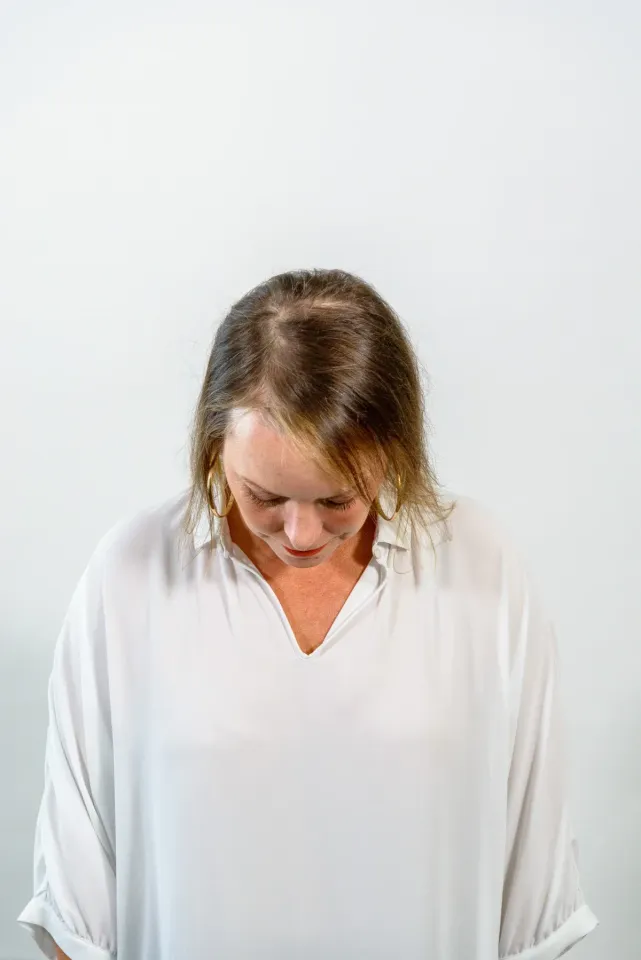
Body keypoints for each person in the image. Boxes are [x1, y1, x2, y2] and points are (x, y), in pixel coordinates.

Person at [19, 269, 597, 960]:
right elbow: (76, 918)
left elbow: (535, 899)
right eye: (263, 495)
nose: (299, 534)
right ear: (213, 447)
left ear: (396, 452)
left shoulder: (479, 567)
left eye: (335, 500)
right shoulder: (130, 577)